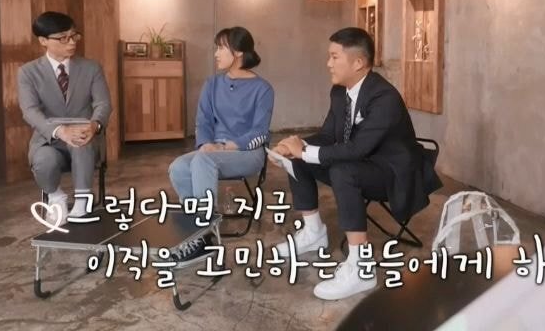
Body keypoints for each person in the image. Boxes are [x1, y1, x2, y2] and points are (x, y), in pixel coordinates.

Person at [272, 27, 428, 300]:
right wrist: (295, 146)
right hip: (363, 163)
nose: (328, 63)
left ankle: (361, 267)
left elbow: (358, 149)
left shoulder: (385, 97)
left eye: (334, 57)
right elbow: (328, 136)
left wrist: (305, 151)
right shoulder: (339, 91)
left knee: (343, 170)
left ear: (358, 63)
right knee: (298, 160)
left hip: (392, 173)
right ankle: (313, 233)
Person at [167, 27, 274, 262]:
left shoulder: (263, 89)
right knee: (178, 167)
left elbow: (260, 132)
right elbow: (203, 121)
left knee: (203, 161)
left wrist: (227, 147)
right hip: (213, 152)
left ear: (238, 52)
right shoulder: (212, 84)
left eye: (221, 48)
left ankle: (201, 233)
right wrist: (205, 144)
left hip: (247, 153)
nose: (216, 53)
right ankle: (198, 231)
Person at [18, 11, 112, 225]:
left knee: (81, 142)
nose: (71, 43)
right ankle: (56, 197)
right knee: (44, 160)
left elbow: (103, 104)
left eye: (74, 36)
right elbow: (30, 111)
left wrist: (95, 124)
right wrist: (60, 131)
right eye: (63, 38)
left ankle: (82, 202)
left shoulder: (91, 68)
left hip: (85, 136)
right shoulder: (28, 72)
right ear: (43, 41)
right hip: (49, 139)